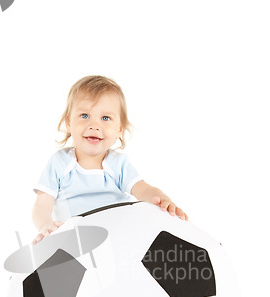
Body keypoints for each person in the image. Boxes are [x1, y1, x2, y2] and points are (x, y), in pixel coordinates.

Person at [32, 75, 188, 244]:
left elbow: (143, 190)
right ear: (68, 122)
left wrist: (163, 200)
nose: (94, 125)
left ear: (119, 129)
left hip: (116, 238)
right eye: (84, 115)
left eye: (105, 118)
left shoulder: (118, 164)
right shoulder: (59, 163)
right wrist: (45, 225)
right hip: (74, 242)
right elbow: (42, 204)